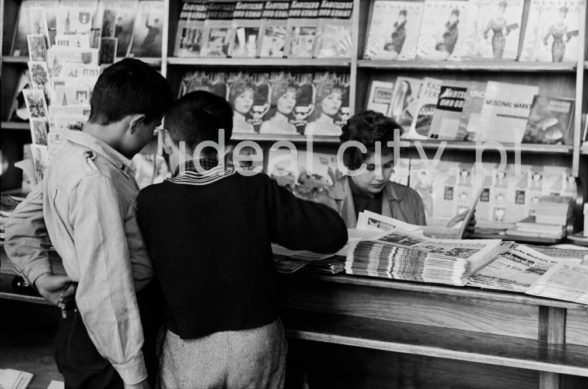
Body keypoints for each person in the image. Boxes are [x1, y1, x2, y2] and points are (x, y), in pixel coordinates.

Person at [136, 91, 347, 388]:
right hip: (256, 341)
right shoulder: (255, 188)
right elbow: (332, 233)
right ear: (226, 146)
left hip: (189, 346)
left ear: (167, 141)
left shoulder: (149, 201)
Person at [4, 58, 173, 389]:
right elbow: (106, 287)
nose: (150, 138)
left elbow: (20, 222)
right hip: (108, 344)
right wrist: (133, 373)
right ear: (136, 123)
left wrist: (40, 275)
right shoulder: (96, 178)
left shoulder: (70, 154)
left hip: (86, 329)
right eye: (152, 129)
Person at [318, 110, 426, 228]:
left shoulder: (410, 199)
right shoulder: (323, 201)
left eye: (387, 166)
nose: (380, 176)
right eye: (370, 167)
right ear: (352, 164)